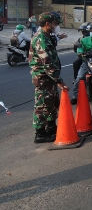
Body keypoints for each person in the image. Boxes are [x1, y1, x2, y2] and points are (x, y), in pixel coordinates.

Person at [29, 12, 68, 143]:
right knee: (42, 105)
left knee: (52, 103)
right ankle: (40, 133)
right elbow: (47, 63)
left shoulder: (47, 36)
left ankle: (51, 128)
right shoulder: (40, 39)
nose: (56, 26)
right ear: (48, 24)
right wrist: (59, 81)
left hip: (49, 78)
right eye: (55, 24)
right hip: (43, 78)